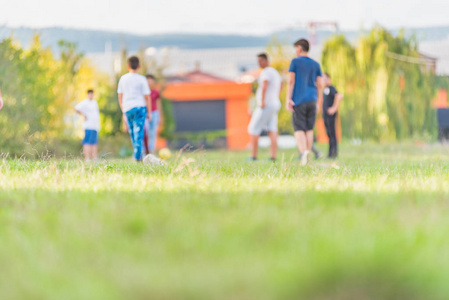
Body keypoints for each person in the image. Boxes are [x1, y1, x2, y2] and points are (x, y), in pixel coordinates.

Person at [286, 39, 324, 165]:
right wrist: (318, 102)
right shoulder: (315, 64)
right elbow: (320, 84)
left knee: (299, 128)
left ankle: (304, 153)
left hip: (299, 99)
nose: (296, 50)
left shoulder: (295, 62)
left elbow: (291, 81)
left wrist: (288, 98)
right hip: (312, 99)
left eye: (296, 48)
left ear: (300, 48)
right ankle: (307, 152)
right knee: (309, 128)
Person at [247, 53, 282, 161]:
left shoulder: (266, 72)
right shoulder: (275, 72)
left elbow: (264, 86)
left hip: (266, 105)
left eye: (260, 61)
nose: (259, 63)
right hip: (275, 104)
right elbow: (281, 85)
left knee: (253, 128)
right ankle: (273, 156)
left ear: (266, 60)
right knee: (272, 129)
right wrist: (275, 96)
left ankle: (253, 156)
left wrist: (262, 102)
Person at [117, 56, 151, 162]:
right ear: (139, 66)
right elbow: (147, 96)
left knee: (132, 132)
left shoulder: (123, 79)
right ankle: (138, 156)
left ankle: (137, 154)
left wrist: (123, 109)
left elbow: (120, 96)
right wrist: (149, 111)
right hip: (140, 107)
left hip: (128, 108)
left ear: (127, 66)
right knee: (139, 132)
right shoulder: (142, 79)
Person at [74, 89, 100, 161]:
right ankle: (87, 158)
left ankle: (94, 158)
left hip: (95, 126)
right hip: (88, 126)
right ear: (87, 94)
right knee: (87, 142)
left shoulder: (95, 102)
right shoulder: (85, 102)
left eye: (92, 94)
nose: (91, 95)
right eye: (90, 94)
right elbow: (76, 108)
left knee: (94, 143)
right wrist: (83, 115)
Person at [322, 73, 343, 159]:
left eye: (325, 79)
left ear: (329, 79)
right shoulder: (325, 89)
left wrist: (334, 108)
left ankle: (333, 153)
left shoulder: (331, 88)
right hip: (325, 115)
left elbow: (339, 96)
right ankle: (330, 152)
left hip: (331, 115)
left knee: (332, 133)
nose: (324, 80)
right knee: (329, 133)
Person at [143, 74, 161, 155]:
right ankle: (144, 150)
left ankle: (151, 150)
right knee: (145, 133)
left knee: (153, 132)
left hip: (154, 113)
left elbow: (158, 104)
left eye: (151, 80)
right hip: (146, 113)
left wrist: (160, 116)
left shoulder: (156, 92)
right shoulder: (143, 92)